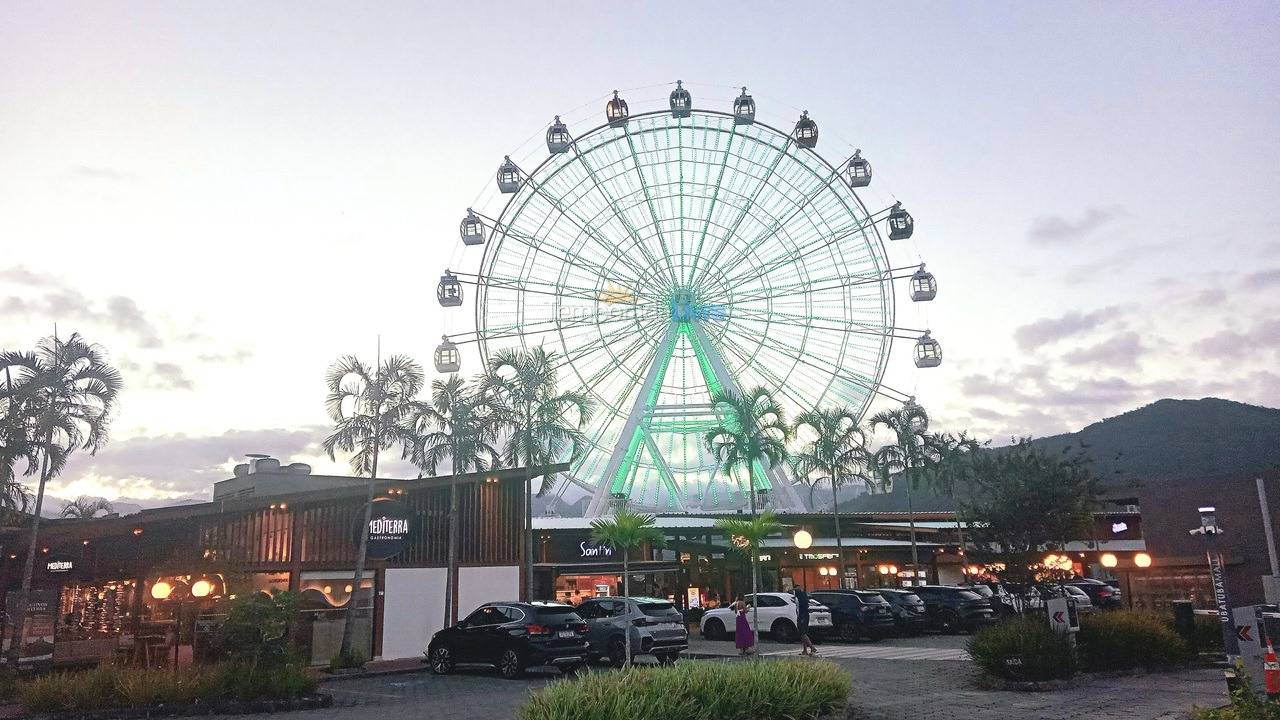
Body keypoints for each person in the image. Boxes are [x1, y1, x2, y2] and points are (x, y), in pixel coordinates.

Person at [794, 586, 817, 656]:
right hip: (803, 615)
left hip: (802, 616)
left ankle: (812, 647)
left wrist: (801, 617)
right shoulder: (803, 596)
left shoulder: (800, 597)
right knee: (802, 634)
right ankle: (805, 650)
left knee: (802, 632)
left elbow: (802, 607)